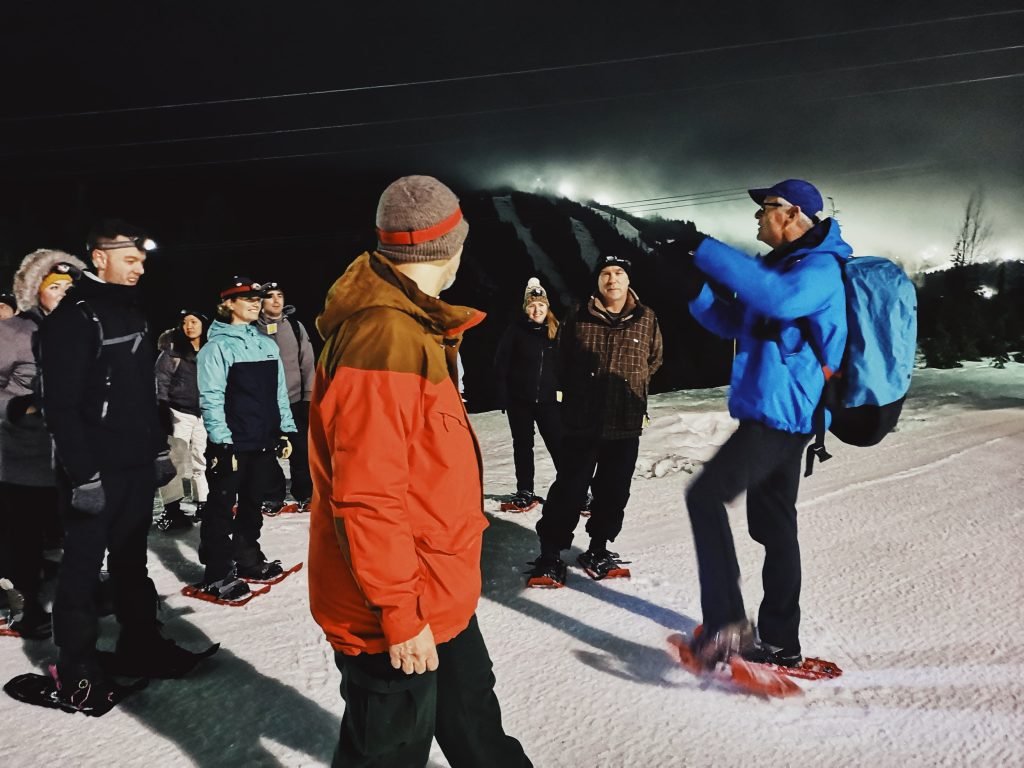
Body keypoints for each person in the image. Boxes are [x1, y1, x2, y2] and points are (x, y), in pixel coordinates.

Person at [307, 175, 532, 767]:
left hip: (435, 589)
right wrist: (400, 615)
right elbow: (367, 496)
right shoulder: (383, 338)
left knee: (479, 734)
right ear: (450, 246)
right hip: (393, 610)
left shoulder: (413, 326)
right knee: (386, 754)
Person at [673, 179, 849, 668]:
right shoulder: (782, 269)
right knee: (773, 527)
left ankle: (727, 624)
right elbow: (736, 322)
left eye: (764, 209)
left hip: (783, 417)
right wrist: (697, 294)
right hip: (772, 414)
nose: (757, 218)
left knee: (705, 496)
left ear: (792, 212)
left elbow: (779, 301)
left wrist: (704, 250)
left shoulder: (819, 268)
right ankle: (780, 642)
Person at [37, 219, 211, 714]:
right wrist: (83, 475)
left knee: (132, 564)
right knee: (81, 571)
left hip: (135, 464)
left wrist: (158, 449)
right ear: (99, 258)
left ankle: (141, 644)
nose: (140, 268)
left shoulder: (129, 310)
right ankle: (77, 671)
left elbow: (138, 392)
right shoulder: (75, 317)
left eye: (141, 260)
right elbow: (62, 407)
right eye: (130, 259)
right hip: (96, 470)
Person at [528, 255, 663, 587]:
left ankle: (598, 549)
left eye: (619, 273)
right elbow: (561, 360)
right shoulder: (578, 315)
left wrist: (632, 386)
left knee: (614, 492)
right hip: (581, 422)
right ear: (598, 280)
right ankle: (550, 556)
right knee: (570, 489)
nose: (612, 279)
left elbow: (654, 360)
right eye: (605, 273)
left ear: (629, 280)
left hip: (626, 423)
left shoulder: (647, 319)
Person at [0, 250, 86, 639]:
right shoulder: (12, 332)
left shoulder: (85, 330)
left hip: (75, 457)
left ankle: (80, 597)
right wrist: (18, 406)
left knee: (77, 534)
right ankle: (22, 605)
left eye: (70, 287)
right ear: (35, 292)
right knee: (24, 539)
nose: (64, 293)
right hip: (24, 458)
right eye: (55, 287)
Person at [195, 277, 297, 602]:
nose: (255, 303)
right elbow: (211, 397)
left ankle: (247, 559)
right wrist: (222, 443)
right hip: (232, 442)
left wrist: (284, 429)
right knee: (222, 507)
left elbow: (279, 392)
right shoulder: (217, 347)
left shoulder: (266, 344)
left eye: (257, 298)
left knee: (253, 504)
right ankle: (217, 572)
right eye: (246, 299)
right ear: (227, 305)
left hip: (262, 439)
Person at [493, 277, 562, 510]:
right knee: (523, 445)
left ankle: (575, 489)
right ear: (526, 308)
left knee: (558, 444)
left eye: (541, 305)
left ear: (547, 307)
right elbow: (500, 363)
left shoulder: (556, 332)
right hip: (519, 400)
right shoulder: (515, 331)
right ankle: (525, 490)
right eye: (532, 305)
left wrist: (567, 394)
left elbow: (568, 366)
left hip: (549, 401)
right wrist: (502, 394)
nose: (536, 309)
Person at [256, 281, 314, 514]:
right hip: (265, 403)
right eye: (270, 296)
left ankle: (306, 494)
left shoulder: (295, 326)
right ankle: (272, 496)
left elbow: (307, 361)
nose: (276, 300)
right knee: (267, 451)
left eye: (280, 295)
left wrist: (309, 395)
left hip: (295, 400)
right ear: (260, 302)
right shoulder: (251, 328)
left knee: (301, 450)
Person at [154, 309, 209, 531]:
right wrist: (162, 411)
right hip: (178, 412)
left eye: (194, 321)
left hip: (204, 413)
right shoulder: (172, 351)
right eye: (185, 322)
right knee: (175, 461)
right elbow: (160, 382)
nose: (189, 326)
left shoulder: (211, 348)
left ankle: (203, 501)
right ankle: (172, 508)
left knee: (201, 458)